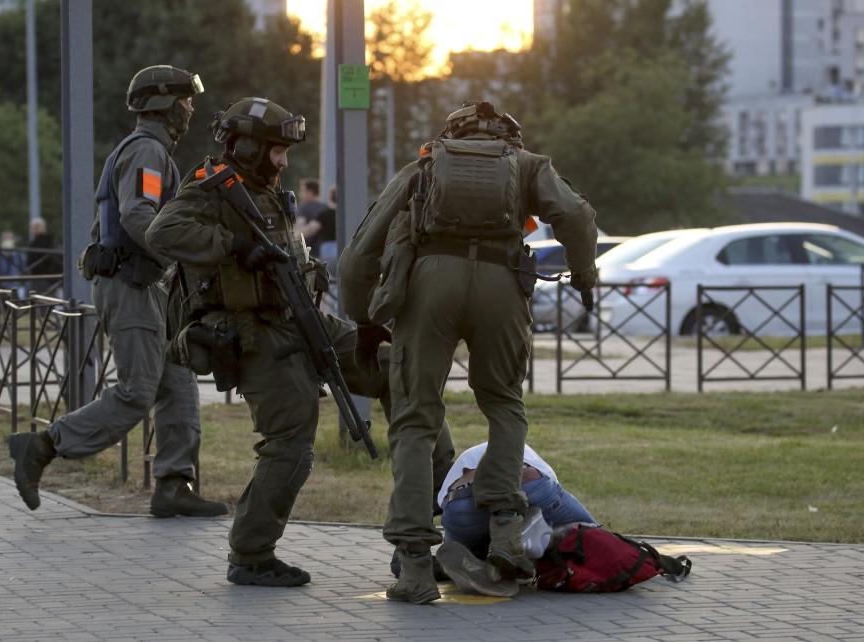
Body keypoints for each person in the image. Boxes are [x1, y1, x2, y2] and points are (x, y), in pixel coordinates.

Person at [144, 96, 456, 588]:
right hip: (256, 335)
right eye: (275, 150)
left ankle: (423, 524)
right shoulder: (211, 188)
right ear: (246, 146)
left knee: (400, 368)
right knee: (292, 444)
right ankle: (250, 554)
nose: (284, 161)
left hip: (304, 319)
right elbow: (163, 230)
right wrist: (234, 248)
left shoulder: (262, 188)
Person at [339, 101, 598, 604]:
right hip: (501, 286)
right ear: (508, 140)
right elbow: (576, 215)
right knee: (503, 405)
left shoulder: (423, 168)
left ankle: (414, 566)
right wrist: (584, 274)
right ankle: (506, 533)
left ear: (450, 138)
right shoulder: (527, 165)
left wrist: (365, 319)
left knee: (415, 418)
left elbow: (359, 253)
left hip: (428, 286)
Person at [7, 65, 227, 519]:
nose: (190, 108)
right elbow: (139, 216)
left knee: (179, 383)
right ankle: (43, 445)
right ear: (162, 104)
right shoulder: (146, 151)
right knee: (137, 391)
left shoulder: (155, 151)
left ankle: (173, 484)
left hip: (149, 285)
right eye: (185, 100)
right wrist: (191, 250)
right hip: (131, 284)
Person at [434, 441, 596, 596]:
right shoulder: (522, 446)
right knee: (591, 532)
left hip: (459, 502)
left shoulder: (466, 459)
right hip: (526, 481)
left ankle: (481, 563)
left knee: (459, 548)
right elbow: (549, 485)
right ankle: (532, 538)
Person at [0, 230, 27, 297]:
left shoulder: (19, 255)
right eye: (6, 238)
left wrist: (24, 289)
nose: (8, 241)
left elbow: (25, 272)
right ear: (1, 240)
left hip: (16, 291)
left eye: (10, 239)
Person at [26, 218, 63, 293]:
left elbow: (32, 261)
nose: (31, 230)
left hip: (40, 279)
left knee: (36, 300)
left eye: (32, 228)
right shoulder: (52, 241)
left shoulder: (37, 244)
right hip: (53, 279)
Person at [293, 178, 326, 245]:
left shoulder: (304, 207)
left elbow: (299, 225)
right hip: (322, 248)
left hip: (307, 248)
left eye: (302, 191)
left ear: (309, 192)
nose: (300, 194)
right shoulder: (324, 207)